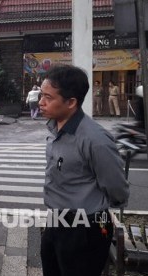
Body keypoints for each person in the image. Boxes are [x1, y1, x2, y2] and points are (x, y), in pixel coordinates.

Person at [38, 65, 129, 276]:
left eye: (48, 98)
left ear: (71, 103)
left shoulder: (94, 139)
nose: (41, 102)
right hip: (56, 220)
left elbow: (116, 186)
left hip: (85, 229)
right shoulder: (55, 126)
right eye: (42, 95)